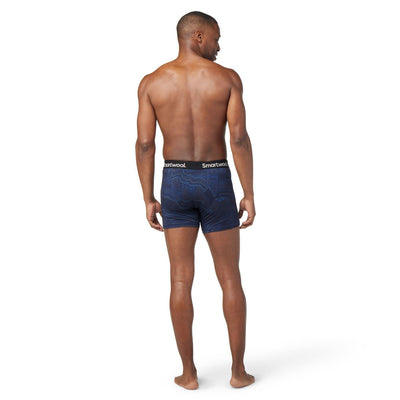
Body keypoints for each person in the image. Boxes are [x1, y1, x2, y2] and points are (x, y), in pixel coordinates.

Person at [136, 11, 255, 390]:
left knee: (179, 278)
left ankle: (188, 374)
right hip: (216, 180)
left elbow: (145, 144)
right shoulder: (227, 79)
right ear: (198, 36)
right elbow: (238, 138)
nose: (219, 45)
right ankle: (238, 372)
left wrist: (148, 197)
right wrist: (249, 192)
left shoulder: (152, 82)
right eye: (216, 38)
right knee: (230, 276)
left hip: (175, 180)